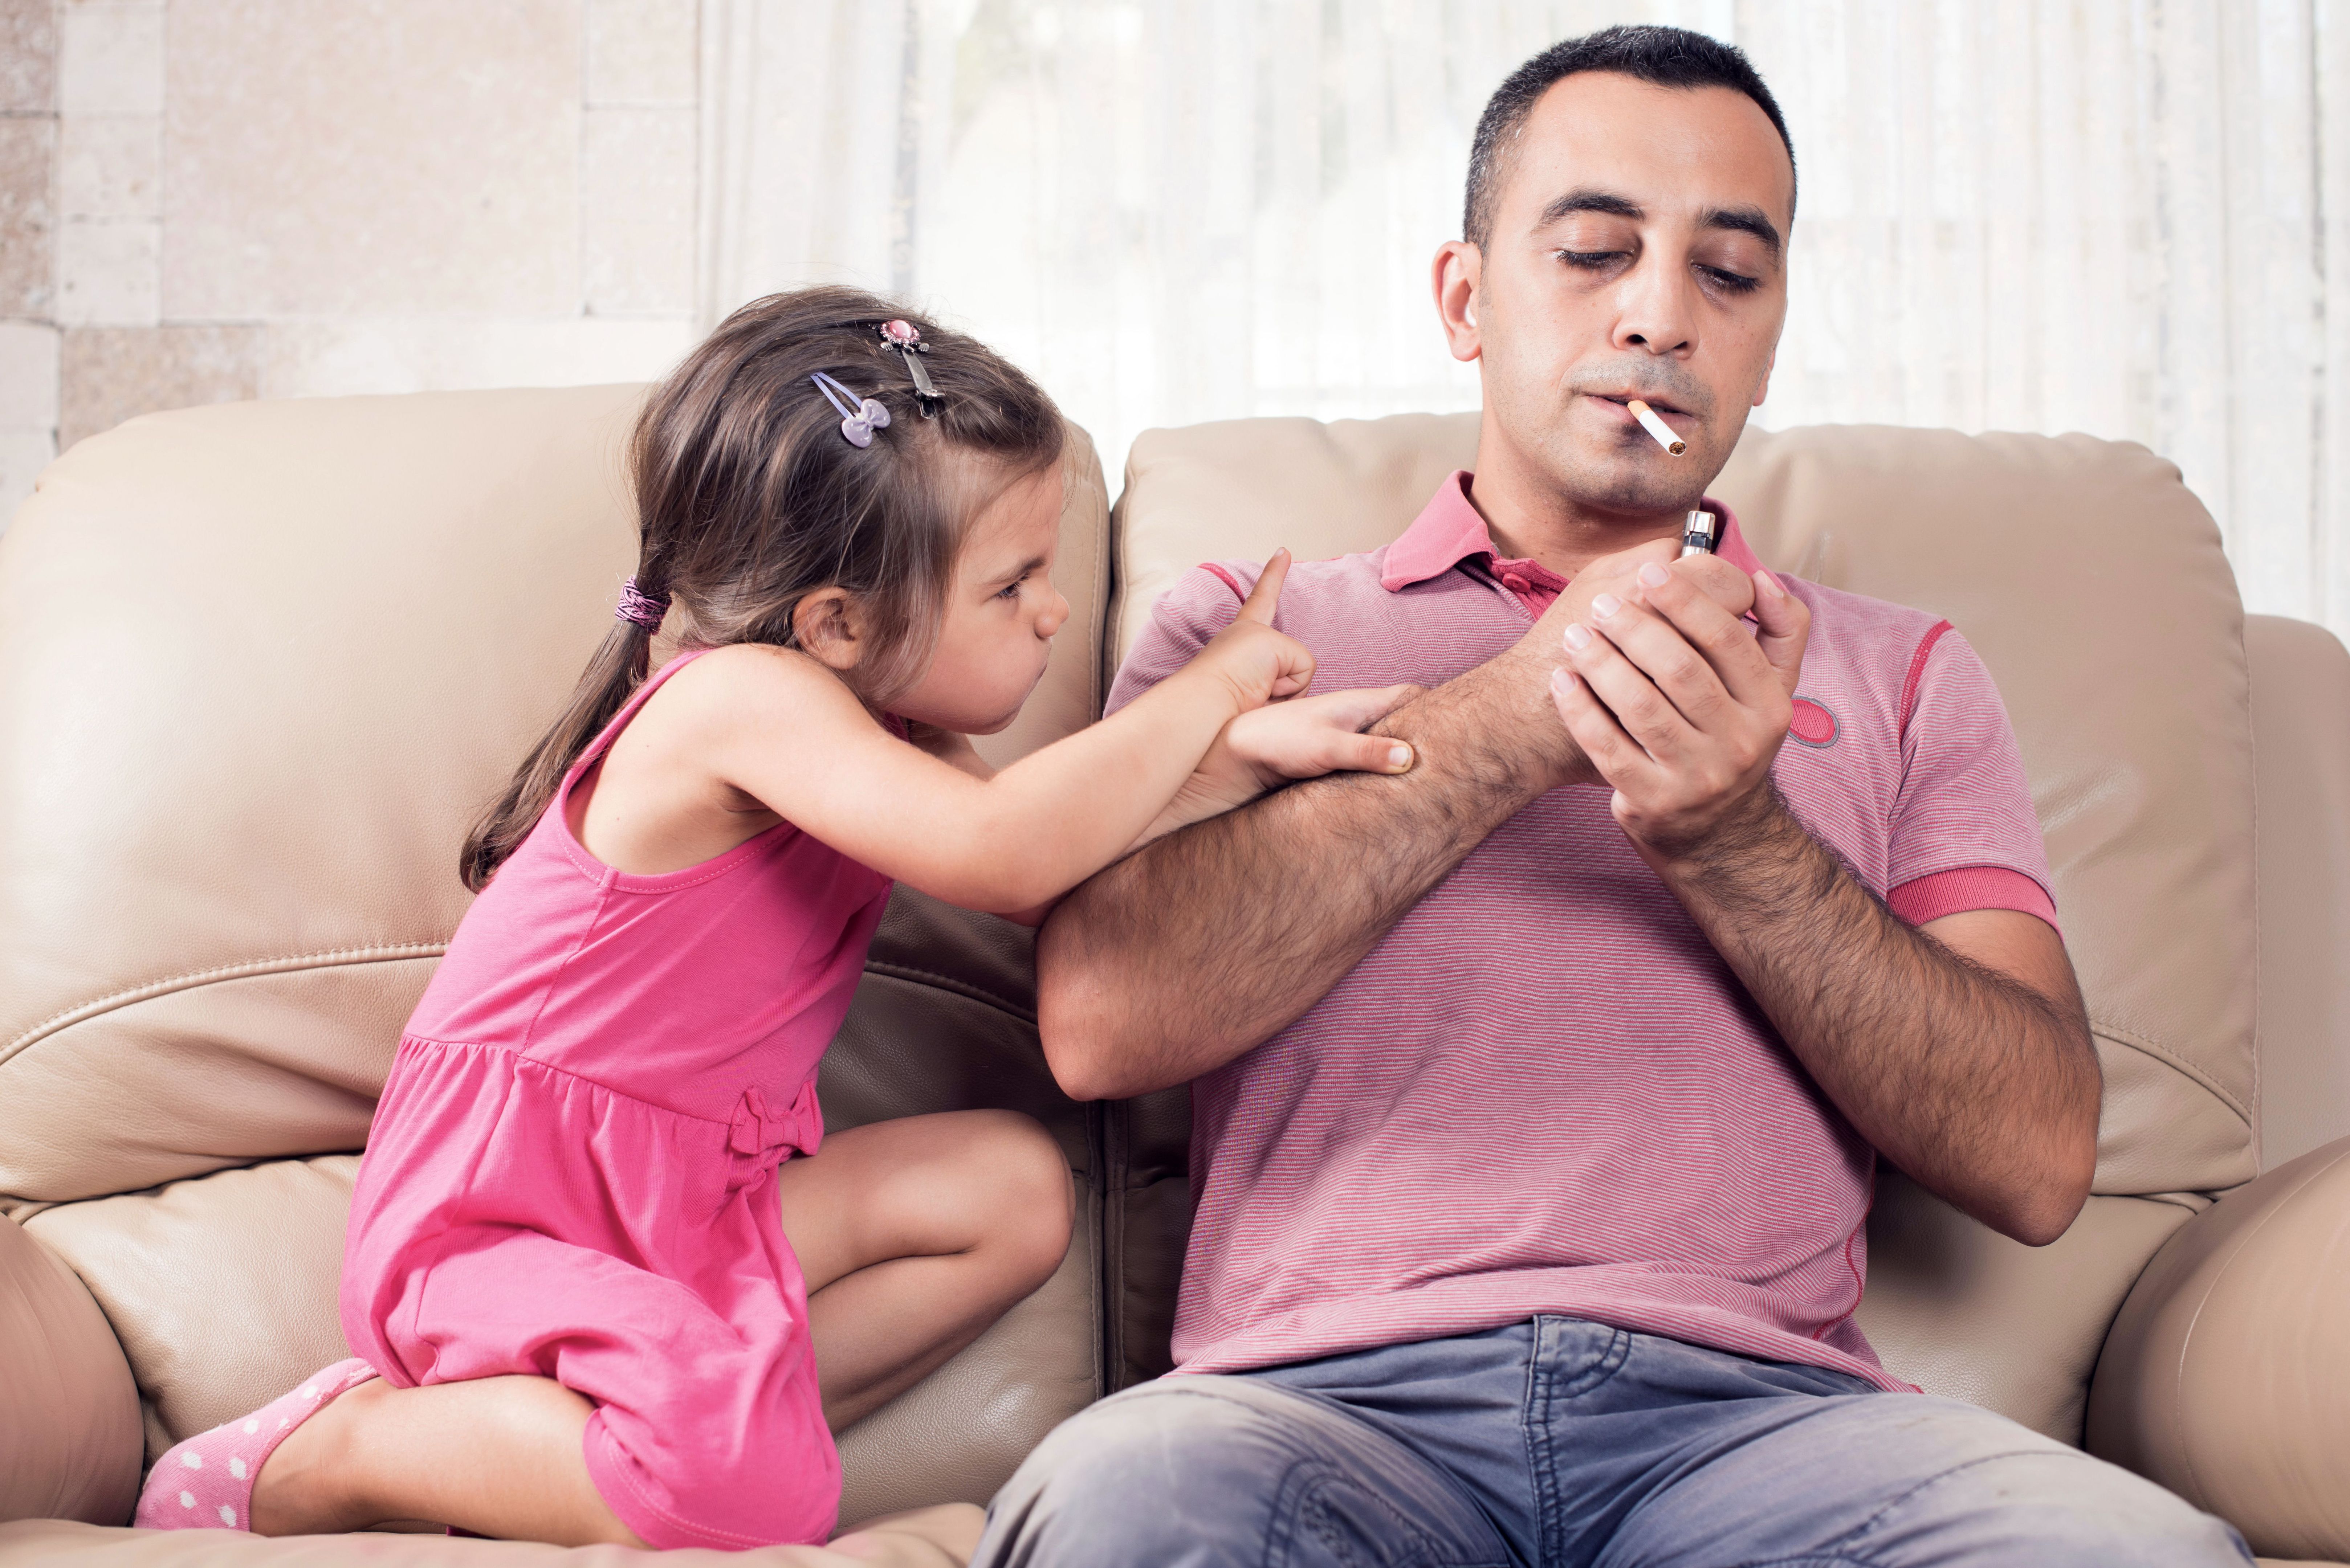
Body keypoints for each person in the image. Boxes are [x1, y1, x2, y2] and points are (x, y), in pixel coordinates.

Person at [980, 26, 2253, 1568]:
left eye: (1726, 277)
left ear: (1770, 338)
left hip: (1766, 1434)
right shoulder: (1244, 632)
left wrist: (1734, 838)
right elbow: (1103, 1022)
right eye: (1591, 252)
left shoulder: (1904, 673)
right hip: (1312, 1414)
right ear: (1464, 299)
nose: (1656, 316)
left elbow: (2037, 1160)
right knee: (1122, 1506)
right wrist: (1523, 712)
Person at [131, 286, 1417, 1553]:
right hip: (511, 1215)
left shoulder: (875, 730)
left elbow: (1039, 869)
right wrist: (1210, 683)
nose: (1056, 609)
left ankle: (636, 1434)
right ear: (837, 622)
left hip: (684, 1211)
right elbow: (1000, 845)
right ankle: (341, 1453)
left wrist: (1231, 762)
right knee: (751, 1502)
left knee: (1016, 1197)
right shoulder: (739, 700)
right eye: (1014, 582)